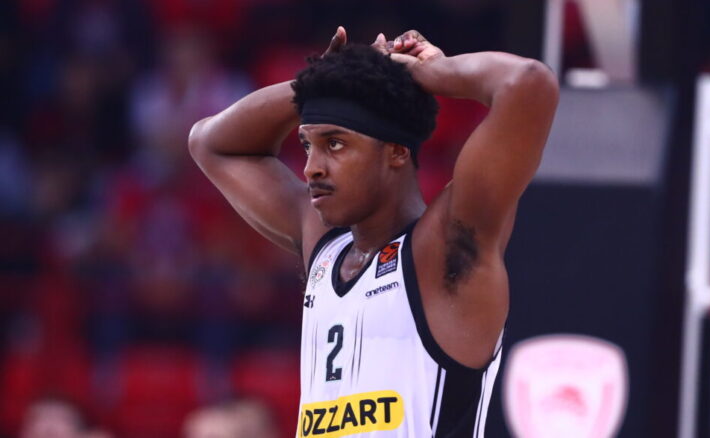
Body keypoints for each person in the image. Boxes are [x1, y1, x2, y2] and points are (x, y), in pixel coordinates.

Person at [189, 27, 558, 437]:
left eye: (335, 144)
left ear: (396, 152)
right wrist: (320, 80)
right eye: (308, 145)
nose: (311, 168)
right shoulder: (325, 246)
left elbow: (527, 83)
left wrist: (432, 73)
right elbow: (208, 142)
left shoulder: (444, 250)